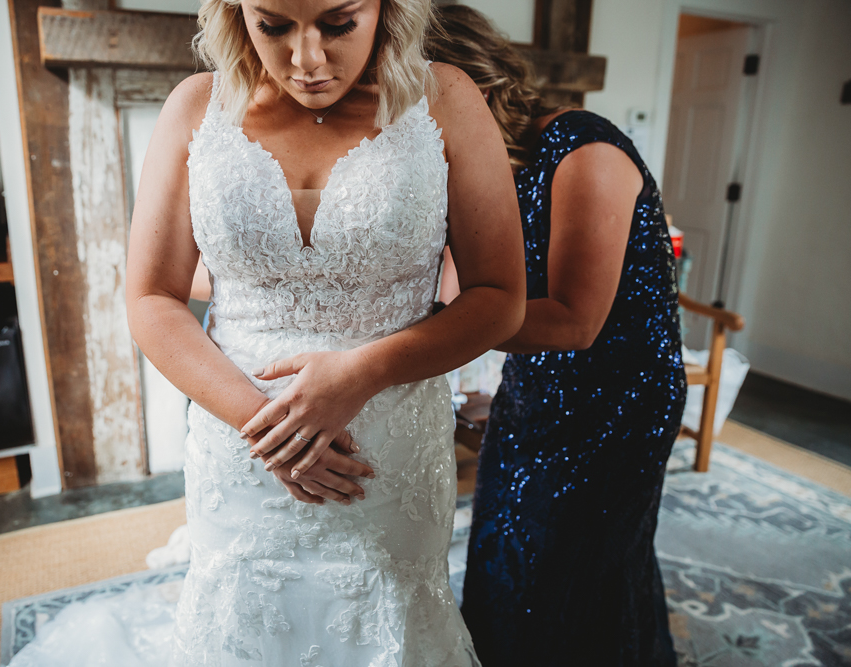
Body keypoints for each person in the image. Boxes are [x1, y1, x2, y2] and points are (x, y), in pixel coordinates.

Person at [125, 0, 526, 663]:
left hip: (387, 458)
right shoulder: (196, 108)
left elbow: (500, 298)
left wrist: (361, 373)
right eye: (273, 25)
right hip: (243, 457)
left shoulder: (445, 99)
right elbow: (151, 296)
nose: (306, 59)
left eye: (338, 23)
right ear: (234, 12)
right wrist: (268, 427)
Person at [427, 6, 686, 666]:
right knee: (503, 547)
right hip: (538, 386)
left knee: (578, 567)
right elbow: (455, 293)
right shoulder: (483, 170)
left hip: (621, 401)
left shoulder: (585, 147)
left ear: (474, 86)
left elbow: (574, 319)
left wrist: (440, 323)